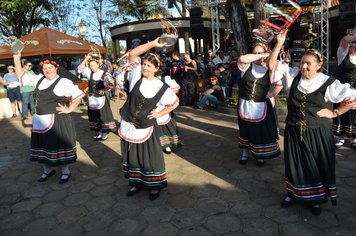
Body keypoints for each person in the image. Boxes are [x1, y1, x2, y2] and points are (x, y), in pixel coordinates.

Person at [268, 31, 356, 215]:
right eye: (302, 62)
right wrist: (278, 43)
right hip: (293, 130)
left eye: (308, 63)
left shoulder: (328, 82)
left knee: (314, 165)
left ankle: (315, 199)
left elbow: (352, 97)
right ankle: (292, 193)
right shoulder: (293, 76)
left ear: (319, 65)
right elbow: (272, 65)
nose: (304, 66)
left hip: (317, 132)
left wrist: (335, 112)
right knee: (294, 164)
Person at [118, 38, 179, 200]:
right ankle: (135, 183)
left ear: (156, 68)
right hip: (129, 121)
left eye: (149, 65)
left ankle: (154, 185)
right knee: (132, 155)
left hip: (146, 125)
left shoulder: (161, 86)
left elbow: (174, 102)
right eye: (144, 64)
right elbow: (132, 53)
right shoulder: (136, 74)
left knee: (151, 156)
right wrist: (153, 44)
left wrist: (160, 113)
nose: (145, 67)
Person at [13, 52, 85, 184]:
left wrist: (69, 108)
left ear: (56, 68)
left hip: (56, 120)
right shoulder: (39, 79)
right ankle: (47, 170)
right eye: (45, 68)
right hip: (39, 120)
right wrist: (16, 58)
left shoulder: (64, 82)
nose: (47, 70)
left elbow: (79, 95)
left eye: (50, 68)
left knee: (58, 145)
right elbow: (20, 75)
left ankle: (65, 172)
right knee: (42, 145)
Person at [237, 42, 282, 167]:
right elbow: (242, 58)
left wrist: (271, 94)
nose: (257, 56)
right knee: (244, 129)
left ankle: (259, 155)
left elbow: (279, 84)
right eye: (255, 53)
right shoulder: (246, 66)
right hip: (245, 104)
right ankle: (245, 153)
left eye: (259, 53)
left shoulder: (269, 68)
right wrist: (264, 54)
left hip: (261, 105)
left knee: (258, 131)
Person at [78, 54, 116, 141]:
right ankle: (99, 133)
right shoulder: (89, 73)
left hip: (101, 98)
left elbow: (111, 83)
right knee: (94, 116)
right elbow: (81, 68)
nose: (92, 67)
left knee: (102, 115)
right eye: (91, 66)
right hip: (92, 99)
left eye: (94, 65)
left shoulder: (104, 73)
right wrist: (86, 58)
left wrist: (105, 89)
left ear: (98, 64)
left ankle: (105, 133)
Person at [333, 33, 356, 149]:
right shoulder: (342, 54)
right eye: (352, 43)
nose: (353, 45)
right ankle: (340, 137)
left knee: (354, 114)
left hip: (355, 91)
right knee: (340, 112)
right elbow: (344, 40)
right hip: (342, 90)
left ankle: (353, 138)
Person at [157, 75, 181, 154]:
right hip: (152, 108)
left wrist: (166, 95)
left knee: (167, 126)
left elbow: (176, 88)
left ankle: (167, 145)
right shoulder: (145, 80)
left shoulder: (165, 78)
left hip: (165, 107)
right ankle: (158, 145)